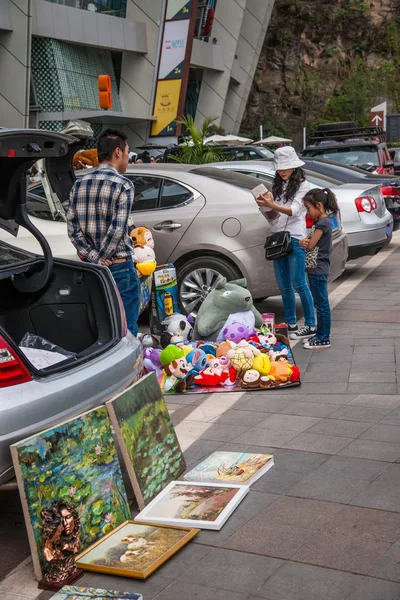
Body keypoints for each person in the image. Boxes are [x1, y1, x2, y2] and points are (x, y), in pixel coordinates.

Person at [67, 129, 140, 337]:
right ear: (117, 152)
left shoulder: (78, 185)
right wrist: (103, 257)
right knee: (126, 331)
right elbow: (118, 229)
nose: (128, 157)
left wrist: (93, 257)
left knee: (99, 329)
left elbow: (73, 230)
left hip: (91, 271)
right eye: (127, 152)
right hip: (119, 268)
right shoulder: (124, 185)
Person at [256, 146, 316, 340]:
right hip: (277, 238)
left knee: (299, 283)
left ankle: (310, 324)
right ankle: (290, 324)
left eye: (286, 167)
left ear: (294, 167)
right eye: (280, 168)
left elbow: (294, 210)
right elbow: (275, 219)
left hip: (296, 238)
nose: (282, 171)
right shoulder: (277, 185)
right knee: (284, 286)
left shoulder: (304, 185)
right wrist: (266, 208)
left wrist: (272, 205)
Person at [300, 188, 338, 349]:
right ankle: (320, 334)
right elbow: (308, 241)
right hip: (316, 268)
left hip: (318, 268)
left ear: (319, 205)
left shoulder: (323, 223)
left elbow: (310, 244)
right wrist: (304, 242)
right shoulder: (322, 222)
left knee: (322, 305)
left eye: (309, 208)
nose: (308, 212)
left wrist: (303, 243)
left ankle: (324, 338)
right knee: (319, 304)